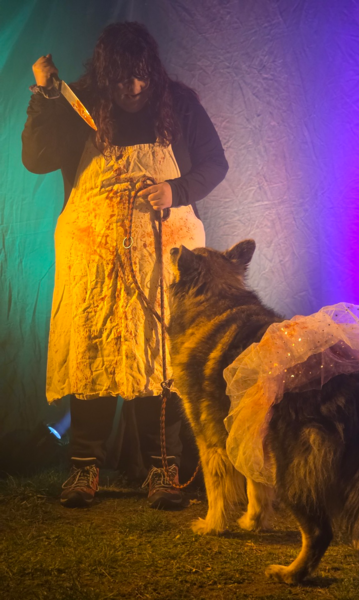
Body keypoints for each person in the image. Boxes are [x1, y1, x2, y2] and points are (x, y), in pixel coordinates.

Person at [22, 22, 228, 508]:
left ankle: (162, 470)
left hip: (163, 253)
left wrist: (176, 191)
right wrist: (45, 97)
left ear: (152, 71)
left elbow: (215, 163)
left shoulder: (179, 105)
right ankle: (84, 468)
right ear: (104, 76)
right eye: (120, 79)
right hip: (93, 255)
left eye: (140, 76)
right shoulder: (80, 104)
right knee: (93, 349)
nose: (132, 88)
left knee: (158, 355)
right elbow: (36, 158)